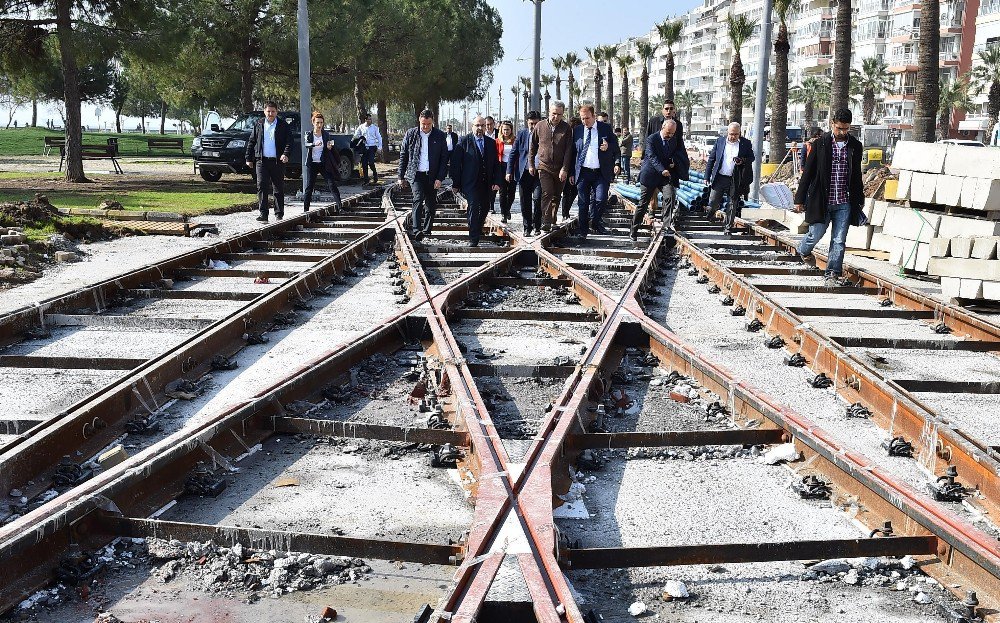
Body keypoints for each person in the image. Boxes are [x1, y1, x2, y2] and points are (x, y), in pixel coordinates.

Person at [794, 108, 867, 287]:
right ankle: (803, 250)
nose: (842, 132)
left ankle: (832, 272)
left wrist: (859, 199)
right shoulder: (820, 144)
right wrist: (799, 199)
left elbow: (856, 175)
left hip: (844, 201)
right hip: (822, 200)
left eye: (845, 129)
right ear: (832, 124)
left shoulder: (855, 146)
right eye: (839, 128)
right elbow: (808, 173)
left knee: (839, 240)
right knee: (816, 233)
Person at [630, 119, 689, 240]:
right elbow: (652, 157)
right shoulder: (652, 139)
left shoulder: (674, 139)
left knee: (670, 195)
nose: (670, 136)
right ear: (662, 128)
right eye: (668, 133)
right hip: (650, 174)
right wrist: (662, 169)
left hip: (665, 177)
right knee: (643, 203)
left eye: (673, 133)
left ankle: (667, 226)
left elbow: (676, 154)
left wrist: (674, 162)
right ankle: (634, 230)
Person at [398, 109, 450, 241]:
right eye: (423, 124)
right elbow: (404, 155)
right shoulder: (411, 134)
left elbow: (444, 159)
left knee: (430, 204)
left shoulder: (439, 135)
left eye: (428, 124)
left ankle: (427, 230)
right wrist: (401, 176)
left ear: (432, 122)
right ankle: (417, 230)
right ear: (419, 121)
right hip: (416, 174)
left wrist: (440, 178)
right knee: (418, 198)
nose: (425, 127)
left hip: (432, 175)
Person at [452, 116, 502, 246]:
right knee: (473, 206)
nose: (480, 128)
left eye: (482, 126)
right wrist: (456, 183)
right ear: (472, 126)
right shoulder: (464, 141)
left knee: (485, 207)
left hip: (487, 182)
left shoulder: (490, 143)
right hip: (470, 182)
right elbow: (456, 164)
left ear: (486, 127)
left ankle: (478, 228)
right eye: (477, 125)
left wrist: (497, 181)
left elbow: (496, 164)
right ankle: (473, 237)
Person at [572, 104, 620, 238]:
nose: (584, 121)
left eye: (587, 118)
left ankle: (595, 222)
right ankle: (583, 231)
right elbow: (572, 153)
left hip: (600, 172)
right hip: (583, 172)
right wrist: (571, 172)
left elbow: (616, 147)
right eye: (582, 118)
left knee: (601, 199)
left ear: (594, 116)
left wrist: (608, 146)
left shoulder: (605, 128)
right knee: (583, 203)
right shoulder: (577, 130)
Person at [528, 101, 573, 232]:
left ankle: (553, 219)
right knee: (547, 192)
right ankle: (546, 221)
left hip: (560, 168)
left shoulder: (566, 128)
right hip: (544, 166)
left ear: (563, 114)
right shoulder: (540, 126)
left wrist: (565, 168)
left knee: (557, 195)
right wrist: (531, 164)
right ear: (549, 112)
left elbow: (568, 150)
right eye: (554, 114)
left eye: (559, 114)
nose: (556, 117)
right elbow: (533, 146)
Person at [245, 101, 292, 222]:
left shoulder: (283, 125)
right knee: (261, 186)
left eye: (273, 111)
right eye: (268, 111)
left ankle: (279, 214)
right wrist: (248, 158)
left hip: (277, 162)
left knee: (278, 187)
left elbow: (289, 142)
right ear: (264, 111)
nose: (270, 114)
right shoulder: (259, 124)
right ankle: (263, 214)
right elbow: (252, 141)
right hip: (261, 161)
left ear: (277, 112)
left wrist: (285, 154)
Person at [705, 122, 755, 233]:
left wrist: (742, 160)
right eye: (731, 134)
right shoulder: (720, 141)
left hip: (735, 179)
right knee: (713, 202)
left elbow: (752, 157)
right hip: (720, 178)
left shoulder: (745, 143)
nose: (733, 137)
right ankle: (710, 214)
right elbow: (711, 159)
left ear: (740, 133)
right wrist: (707, 176)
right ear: (728, 132)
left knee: (732, 203)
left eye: (736, 134)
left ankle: (728, 226)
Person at [508, 110, 542, 235]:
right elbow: (513, 153)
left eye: (536, 123)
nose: (533, 126)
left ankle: (537, 225)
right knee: (524, 201)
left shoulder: (544, 134)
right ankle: (527, 227)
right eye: (531, 123)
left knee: (538, 198)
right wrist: (509, 171)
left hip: (540, 173)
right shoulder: (521, 134)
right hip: (524, 172)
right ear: (527, 122)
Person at [302, 111, 343, 213]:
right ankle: (305, 209)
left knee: (331, 184)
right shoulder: (309, 134)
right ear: (313, 123)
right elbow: (307, 144)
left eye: (321, 123)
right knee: (309, 187)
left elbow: (329, 145)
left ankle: (340, 207)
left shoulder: (325, 135)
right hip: (312, 164)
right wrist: (314, 144)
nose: (319, 125)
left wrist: (329, 147)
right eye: (317, 123)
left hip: (323, 163)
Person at [560, 116, 582, 221]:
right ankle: (565, 213)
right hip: (568, 167)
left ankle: (565, 212)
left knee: (570, 192)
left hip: (574, 167)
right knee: (568, 191)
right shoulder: (569, 137)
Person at [496, 120, 517, 223]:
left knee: (511, 192)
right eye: (504, 129)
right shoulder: (497, 141)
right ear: (501, 130)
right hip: (501, 167)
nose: (506, 132)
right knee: (502, 192)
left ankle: (508, 209)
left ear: (511, 130)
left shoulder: (515, 140)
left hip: (513, 167)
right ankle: (503, 213)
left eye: (508, 130)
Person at [353, 113, 382, 185]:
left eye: (370, 119)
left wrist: (379, 147)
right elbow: (356, 136)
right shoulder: (361, 127)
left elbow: (379, 138)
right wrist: (359, 140)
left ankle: (375, 175)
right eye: (368, 119)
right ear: (365, 120)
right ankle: (366, 180)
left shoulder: (375, 128)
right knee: (364, 164)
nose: (370, 120)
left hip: (372, 147)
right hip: (364, 148)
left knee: (371, 162)